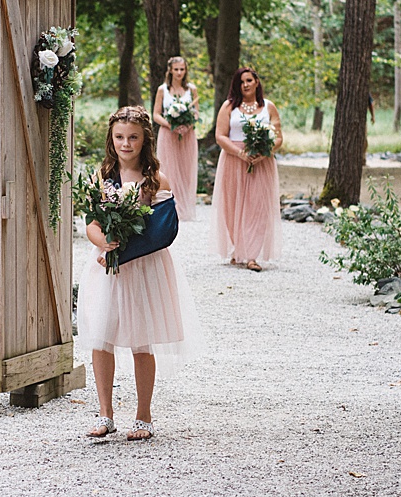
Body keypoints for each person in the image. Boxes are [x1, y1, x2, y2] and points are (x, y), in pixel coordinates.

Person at [76, 106, 204, 440]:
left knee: (140, 341)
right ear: (111, 138)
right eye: (119, 137)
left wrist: (127, 250)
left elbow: (163, 229)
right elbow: (90, 222)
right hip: (107, 266)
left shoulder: (155, 179)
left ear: (144, 138)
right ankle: (105, 414)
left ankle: (143, 415)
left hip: (143, 267)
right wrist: (105, 242)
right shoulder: (102, 177)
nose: (126, 144)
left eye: (133, 137)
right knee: (101, 338)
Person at [211, 68, 283, 272]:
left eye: (249, 80)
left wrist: (264, 152)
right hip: (234, 160)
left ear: (257, 82)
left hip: (261, 161)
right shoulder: (229, 106)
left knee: (257, 206)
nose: (246, 85)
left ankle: (251, 255)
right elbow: (220, 135)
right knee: (233, 206)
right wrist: (240, 153)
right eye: (242, 81)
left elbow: (278, 137)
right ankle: (239, 248)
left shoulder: (268, 107)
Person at [151, 56, 199, 221]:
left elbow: (196, 113)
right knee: (168, 168)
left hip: (187, 135)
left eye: (182, 69)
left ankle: (185, 207)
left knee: (185, 168)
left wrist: (187, 126)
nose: (179, 72)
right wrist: (170, 125)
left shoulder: (191, 89)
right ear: (170, 70)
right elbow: (156, 114)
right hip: (168, 134)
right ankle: (169, 207)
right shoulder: (162, 89)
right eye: (176, 69)